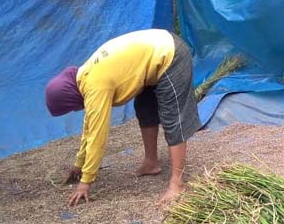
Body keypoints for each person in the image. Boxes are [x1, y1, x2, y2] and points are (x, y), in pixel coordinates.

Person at [45, 29, 200, 207]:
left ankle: (177, 184)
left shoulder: (95, 86)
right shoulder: (84, 77)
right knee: (144, 108)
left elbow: (97, 135)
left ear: (69, 98)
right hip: (152, 54)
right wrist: (79, 164)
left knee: (173, 118)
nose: (74, 110)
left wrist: (85, 182)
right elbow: (89, 126)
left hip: (170, 54)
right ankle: (151, 163)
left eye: (70, 108)